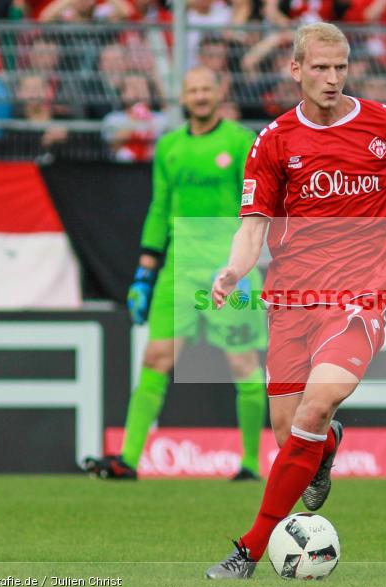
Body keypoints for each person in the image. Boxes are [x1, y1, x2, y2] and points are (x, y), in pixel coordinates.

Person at [206, 22, 386, 579]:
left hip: (361, 294)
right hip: (291, 297)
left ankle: (249, 549)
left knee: (314, 405)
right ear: (296, 70)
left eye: (339, 68)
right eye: (320, 69)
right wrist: (235, 270)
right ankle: (326, 445)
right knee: (292, 434)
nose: (332, 79)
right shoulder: (275, 142)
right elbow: (254, 224)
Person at [82, 66, 268, 482]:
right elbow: (159, 209)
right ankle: (128, 460)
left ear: (218, 92)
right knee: (156, 356)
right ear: (182, 97)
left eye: (206, 88)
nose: (200, 96)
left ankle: (252, 463)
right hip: (179, 271)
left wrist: (247, 262)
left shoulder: (240, 142)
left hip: (229, 269)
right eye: (193, 90)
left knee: (242, 362)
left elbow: (257, 206)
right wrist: (144, 273)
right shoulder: (168, 147)